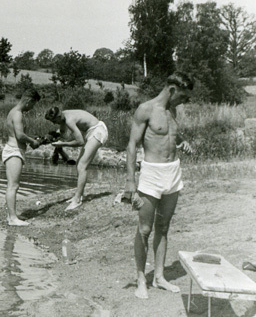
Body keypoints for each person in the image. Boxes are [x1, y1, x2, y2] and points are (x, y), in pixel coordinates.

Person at [123, 72, 194, 299]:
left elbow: (170, 134)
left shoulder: (172, 110)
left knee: (163, 227)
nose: (184, 102)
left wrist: (183, 142)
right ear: (172, 90)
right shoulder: (145, 109)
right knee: (145, 229)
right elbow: (132, 146)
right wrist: (130, 181)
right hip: (152, 175)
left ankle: (160, 277)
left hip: (172, 172)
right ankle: (141, 279)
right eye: (183, 97)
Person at [45, 107, 108, 211]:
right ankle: (79, 195)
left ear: (58, 116)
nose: (54, 123)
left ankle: (77, 200)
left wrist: (63, 144)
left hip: (98, 131)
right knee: (80, 164)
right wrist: (49, 138)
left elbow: (80, 142)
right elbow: (62, 134)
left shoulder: (69, 120)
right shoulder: (63, 116)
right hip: (92, 131)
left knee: (82, 166)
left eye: (54, 121)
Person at [3, 88, 42, 226]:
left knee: (12, 185)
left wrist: (30, 139)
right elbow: (19, 135)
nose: (32, 108)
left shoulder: (13, 112)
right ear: (29, 101)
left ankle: (11, 216)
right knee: (13, 185)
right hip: (14, 151)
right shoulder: (18, 114)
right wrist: (33, 141)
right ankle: (13, 218)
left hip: (13, 149)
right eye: (33, 104)